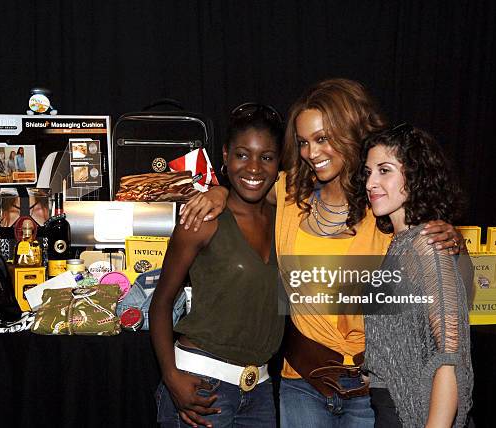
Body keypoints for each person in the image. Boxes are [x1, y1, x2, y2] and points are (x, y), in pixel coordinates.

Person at [180, 79, 463, 427]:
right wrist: (218, 193)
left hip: (371, 389)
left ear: (351, 133)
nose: (311, 153)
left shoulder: (385, 204)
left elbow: (446, 296)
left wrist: (453, 239)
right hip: (304, 381)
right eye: (303, 142)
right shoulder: (287, 194)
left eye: (322, 138)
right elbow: (247, 184)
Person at [150, 103, 286, 427]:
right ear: (225, 155)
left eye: (266, 157)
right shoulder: (204, 219)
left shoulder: (287, 220)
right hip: (201, 387)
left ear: (279, 162)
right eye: (242, 154)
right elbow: (161, 303)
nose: (253, 167)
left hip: (261, 390)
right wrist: (171, 376)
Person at [358, 124, 473, 427]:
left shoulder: (426, 244)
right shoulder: (402, 243)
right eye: (368, 172)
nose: (371, 183)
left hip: (416, 416)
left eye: (385, 170)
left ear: (416, 175)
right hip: (390, 408)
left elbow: (450, 357)